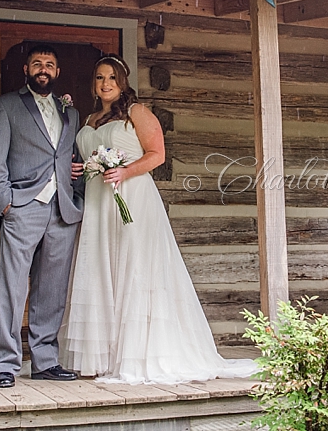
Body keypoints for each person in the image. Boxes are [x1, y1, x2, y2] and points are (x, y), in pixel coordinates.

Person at [62, 56, 259, 384]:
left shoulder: (137, 112)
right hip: (99, 201)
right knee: (101, 268)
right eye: (99, 78)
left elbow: (157, 154)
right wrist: (79, 169)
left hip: (133, 199)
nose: (105, 83)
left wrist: (125, 170)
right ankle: (99, 358)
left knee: (134, 269)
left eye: (112, 77)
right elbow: (87, 157)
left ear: (123, 81)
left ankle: (139, 354)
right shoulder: (90, 118)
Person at [0, 44, 85, 388]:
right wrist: (5, 203)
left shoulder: (70, 111)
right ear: (26, 70)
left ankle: (45, 360)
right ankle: (6, 364)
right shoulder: (5, 106)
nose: (44, 69)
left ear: (56, 72)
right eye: (37, 63)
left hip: (63, 210)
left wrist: (78, 195)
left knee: (51, 291)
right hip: (23, 206)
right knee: (12, 287)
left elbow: (71, 158)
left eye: (50, 64)